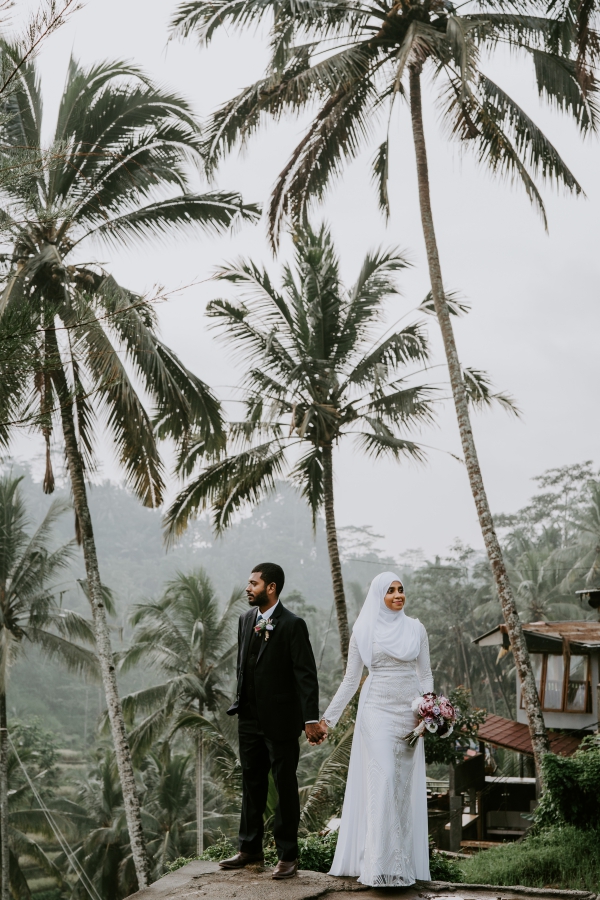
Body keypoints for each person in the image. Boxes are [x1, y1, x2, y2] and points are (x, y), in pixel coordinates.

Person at [317, 572, 432, 887]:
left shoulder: (416, 629)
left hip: (410, 716)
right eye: (390, 590)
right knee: (383, 785)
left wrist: (429, 713)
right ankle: (379, 868)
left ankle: (400, 866)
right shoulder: (364, 631)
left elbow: (426, 675)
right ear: (378, 596)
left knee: (400, 791)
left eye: (401, 589)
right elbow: (351, 680)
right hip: (377, 713)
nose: (398, 595)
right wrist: (328, 719)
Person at [219, 562, 325, 880]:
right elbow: (243, 666)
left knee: (284, 786)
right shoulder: (245, 620)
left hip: (280, 721)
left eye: (253, 583)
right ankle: (249, 847)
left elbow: (306, 676)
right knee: (252, 784)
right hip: (248, 719)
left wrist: (309, 720)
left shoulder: (293, 624)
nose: (248, 588)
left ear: (271, 588)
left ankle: (288, 856)